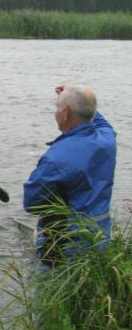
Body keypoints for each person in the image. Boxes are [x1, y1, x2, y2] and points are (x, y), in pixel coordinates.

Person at [23, 85, 116, 265]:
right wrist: (81, 103)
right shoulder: (107, 140)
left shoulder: (55, 158)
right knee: (94, 278)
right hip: (100, 234)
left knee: (52, 282)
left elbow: (31, 203)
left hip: (66, 244)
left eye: (57, 108)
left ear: (65, 113)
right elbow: (100, 121)